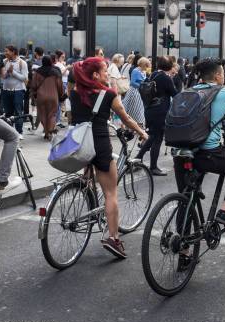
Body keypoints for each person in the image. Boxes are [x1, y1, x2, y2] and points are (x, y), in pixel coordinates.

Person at [70, 58, 148, 258]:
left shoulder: (75, 92)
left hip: (80, 144)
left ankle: (88, 199)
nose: (108, 74)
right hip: (100, 145)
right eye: (105, 71)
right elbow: (125, 118)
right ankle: (113, 238)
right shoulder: (108, 94)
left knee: (89, 176)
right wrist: (142, 132)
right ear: (96, 75)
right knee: (111, 193)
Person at [173, 58, 225, 233]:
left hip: (181, 151)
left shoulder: (187, 91)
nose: (224, 75)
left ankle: (184, 248)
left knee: (185, 198)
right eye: (223, 72)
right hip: (208, 151)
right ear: (217, 75)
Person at [135, 56, 177, 176]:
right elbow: (175, 94)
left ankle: (137, 159)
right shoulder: (166, 78)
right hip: (160, 111)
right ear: (169, 66)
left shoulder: (153, 74)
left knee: (151, 136)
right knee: (157, 138)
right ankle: (153, 167)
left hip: (149, 109)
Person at [30, 56, 63, 141]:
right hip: (53, 96)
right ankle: (50, 132)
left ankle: (46, 132)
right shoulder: (56, 72)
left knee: (43, 114)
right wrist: (61, 95)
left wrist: (33, 94)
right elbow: (60, 86)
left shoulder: (37, 72)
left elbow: (33, 85)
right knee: (52, 115)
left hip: (41, 97)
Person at [1, 46, 28, 138]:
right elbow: (3, 77)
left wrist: (13, 73)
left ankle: (19, 132)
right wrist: (8, 72)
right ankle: (9, 132)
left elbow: (24, 78)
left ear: (13, 52)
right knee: (8, 112)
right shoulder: (4, 62)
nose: (5, 53)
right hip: (6, 90)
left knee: (18, 112)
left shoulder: (22, 63)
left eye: (7, 51)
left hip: (18, 91)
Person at [122, 56, 148, 128]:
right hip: (134, 92)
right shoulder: (135, 70)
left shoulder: (143, 71)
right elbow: (133, 82)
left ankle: (139, 124)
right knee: (134, 108)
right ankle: (133, 125)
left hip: (140, 92)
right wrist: (142, 86)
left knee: (139, 109)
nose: (147, 67)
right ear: (143, 64)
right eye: (146, 65)